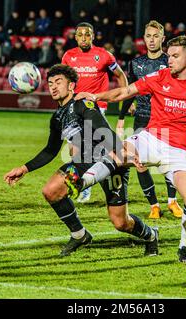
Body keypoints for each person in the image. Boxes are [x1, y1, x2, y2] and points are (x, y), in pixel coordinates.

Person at [69, 36, 186, 263]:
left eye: (175, 56)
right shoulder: (158, 77)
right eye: (168, 55)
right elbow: (125, 92)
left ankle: (183, 248)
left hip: (178, 151)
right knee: (119, 152)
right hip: (151, 139)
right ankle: (81, 183)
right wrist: (94, 96)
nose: (169, 60)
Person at [3, 64, 158, 257]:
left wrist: (120, 153)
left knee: (120, 222)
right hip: (81, 163)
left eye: (58, 82)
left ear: (71, 86)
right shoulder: (57, 117)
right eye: (50, 83)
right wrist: (24, 169)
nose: (53, 86)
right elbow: (51, 150)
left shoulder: (82, 104)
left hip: (108, 161)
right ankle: (80, 234)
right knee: (51, 191)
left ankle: (151, 235)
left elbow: (103, 130)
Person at [116, 20, 183, 219]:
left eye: (155, 36)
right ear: (143, 39)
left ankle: (172, 201)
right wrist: (121, 119)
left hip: (165, 119)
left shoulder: (170, 61)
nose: (152, 40)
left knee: (168, 162)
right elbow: (130, 93)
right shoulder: (136, 63)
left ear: (163, 39)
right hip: (142, 119)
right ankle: (154, 205)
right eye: (148, 36)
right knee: (139, 162)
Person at [61, 22, 129, 203]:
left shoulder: (104, 55)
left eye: (87, 34)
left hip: (96, 108)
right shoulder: (68, 56)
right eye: (80, 34)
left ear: (93, 36)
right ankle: (99, 177)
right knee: (75, 150)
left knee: (85, 148)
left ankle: (87, 187)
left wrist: (126, 95)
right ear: (75, 37)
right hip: (74, 108)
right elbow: (63, 81)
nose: (84, 37)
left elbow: (121, 75)